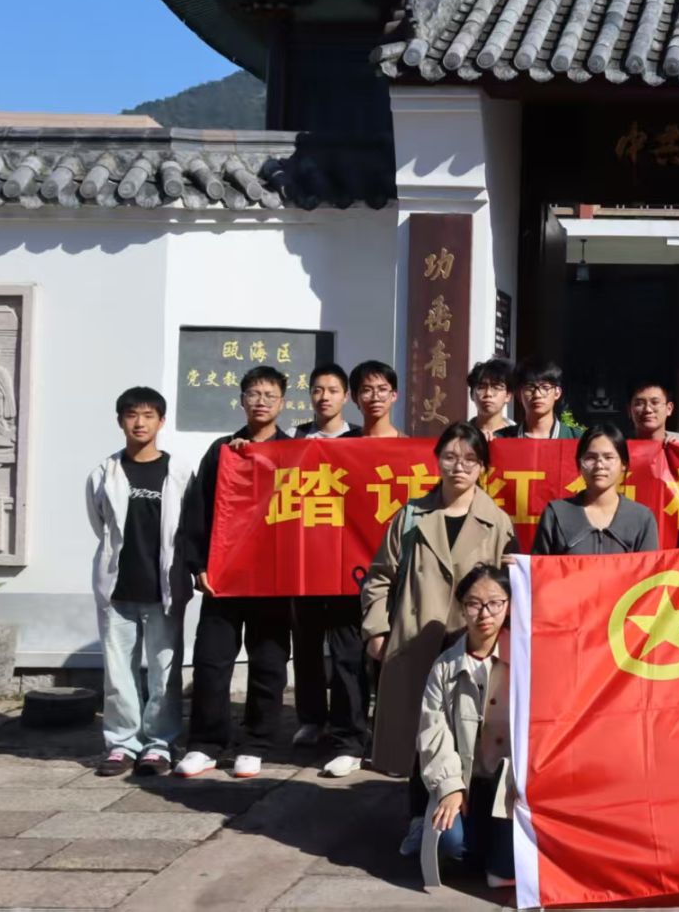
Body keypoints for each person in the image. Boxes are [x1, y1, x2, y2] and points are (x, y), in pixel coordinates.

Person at [361, 423, 519, 856]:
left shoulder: (497, 521)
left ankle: (468, 820)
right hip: (416, 642)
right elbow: (379, 577)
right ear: (437, 461)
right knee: (422, 735)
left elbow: (508, 589)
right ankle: (418, 819)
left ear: (483, 467)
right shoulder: (412, 516)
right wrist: (377, 629)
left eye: (470, 459)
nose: (459, 467)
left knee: (468, 734)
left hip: (472, 645)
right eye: (450, 457)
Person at [177, 367, 295, 780]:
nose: (261, 401)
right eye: (253, 394)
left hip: (273, 578)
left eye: (269, 394)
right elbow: (198, 509)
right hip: (224, 577)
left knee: (269, 662)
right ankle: (205, 743)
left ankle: (255, 743)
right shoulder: (222, 451)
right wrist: (198, 564)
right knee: (211, 660)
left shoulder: (295, 453)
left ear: (282, 403)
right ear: (241, 400)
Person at [86, 386, 193, 777]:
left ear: (161, 421)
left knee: (165, 670)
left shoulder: (179, 472)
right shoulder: (104, 472)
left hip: (163, 587)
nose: (140, 423)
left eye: (148, 415)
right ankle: (122, 743)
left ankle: (160, 743)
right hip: (118, 588)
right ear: (120, 421)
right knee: (118, 672)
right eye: (132, 415)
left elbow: (189, 528)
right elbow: (99, 523)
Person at [288, 363, 371, 779]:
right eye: (318, 390)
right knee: (305, 645)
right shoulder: (294, 439)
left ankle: (350, 736)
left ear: (346, 397)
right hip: (304, 560)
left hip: (347, 564)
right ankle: (311, 718)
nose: (324, 397)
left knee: (346, 651)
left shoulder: (360, 440)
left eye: (333, 390)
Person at [419, 563, 517, 889]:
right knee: (451, 842)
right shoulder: (445, 666)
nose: (484, 613)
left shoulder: (526, 657)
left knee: (501, 871)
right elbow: (434, 732)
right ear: (462, 608)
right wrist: (449, 787)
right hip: (467, 781)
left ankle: (496, 849)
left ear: (509, 606)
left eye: (495, 603)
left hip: (510, 784)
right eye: (474, 604)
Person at [527, 423, 659, 555]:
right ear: (579, 464)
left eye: (608, 457)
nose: (599, 465)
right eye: (590, 458)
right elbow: (539, 565)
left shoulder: (642, 518)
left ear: (623, 464)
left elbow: (649, 567)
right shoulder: (556, 514)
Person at [499, 359, 579, 440]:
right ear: (519, 394)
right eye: (530, 387)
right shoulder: (501, 439)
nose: (537, 395)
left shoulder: (577, 439)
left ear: (557, 393)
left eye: (545, 387)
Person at [627, 380, 679, 447]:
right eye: (639, 404)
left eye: (655, 402)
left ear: (669, 409)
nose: (647, 409)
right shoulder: (621, 450)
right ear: (629, 410)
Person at [349, 360, 403, 438]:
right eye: (367, 390)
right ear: (354, 397)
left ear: (394, 395)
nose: (375, 398)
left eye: (382, 389)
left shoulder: (409, 444)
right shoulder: (341, 443)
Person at [467, 359, 514, 437]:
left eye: (496, 387)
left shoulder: (518, 436)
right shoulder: (460, 436)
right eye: (481, 387)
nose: (488, 393)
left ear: (508, 395)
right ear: (471, 394)